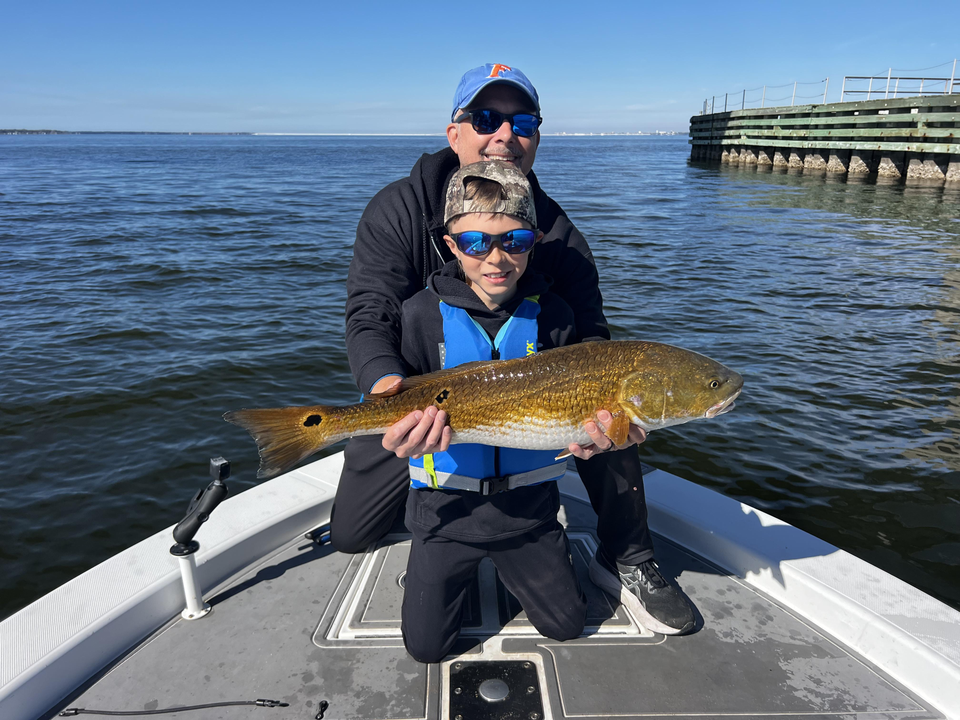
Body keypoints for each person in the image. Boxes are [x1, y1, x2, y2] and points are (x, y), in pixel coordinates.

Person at [335, 63, 695, 636]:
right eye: (486, 118)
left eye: (522, 121)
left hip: (533, 386)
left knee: (616, 402)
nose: (505, 134)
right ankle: (433, 527)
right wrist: (385, 388)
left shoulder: (556, 232)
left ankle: (627, 556)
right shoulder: (398, 209)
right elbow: (370, 312)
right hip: (415, 393)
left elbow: (594, 339)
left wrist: (597, 418)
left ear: (536, 140)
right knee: (351, 535)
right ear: (454, 133)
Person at [399, 161, 586, 661]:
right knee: (426, 650)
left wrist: (592, 437)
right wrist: (396, 436)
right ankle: (434, 571)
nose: (496, 258)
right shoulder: (419, 314)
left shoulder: (557, 317)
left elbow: (578, 415)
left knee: (568, 626)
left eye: (515, 241)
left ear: (535, 240)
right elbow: (393, 398)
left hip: (530, 512)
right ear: (450, 244)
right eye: (476, 242)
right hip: (444, 512)